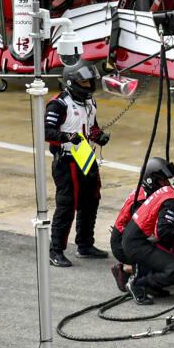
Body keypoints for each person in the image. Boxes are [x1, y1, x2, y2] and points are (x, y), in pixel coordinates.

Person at [44, 59, 110, 267]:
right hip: (67, 161)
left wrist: (99, 136)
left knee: (91, 201)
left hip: (86, 158)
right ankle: (55, 250)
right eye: (84, 83)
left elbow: (92, 126)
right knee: (67, 205)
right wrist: (67, 137)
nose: (89, 86)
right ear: (72, 82)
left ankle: (85, 245)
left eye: (90, 82)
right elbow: (46, 132)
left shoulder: (90, 103)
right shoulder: (59, 104)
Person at [122, 159, 174, 305]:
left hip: (138, 238)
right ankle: (138, 284)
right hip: (137, 244)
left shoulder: (170, 192)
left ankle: (150, 282)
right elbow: (163, 231)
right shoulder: (172, 202)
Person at [110, 157, 174, 292]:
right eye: (162, 180)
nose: (166, 184)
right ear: (151, 180)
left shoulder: (146, 191)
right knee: (158, 252)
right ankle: (126, 270)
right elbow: (140, 233)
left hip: (127, 238)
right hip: (122, 243)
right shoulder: (142, 199)